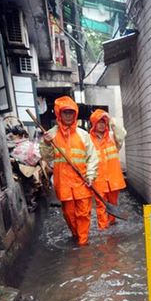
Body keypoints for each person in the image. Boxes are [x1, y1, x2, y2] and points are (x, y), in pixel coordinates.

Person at [40, 96, 98, 246]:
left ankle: (83, 243)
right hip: (64, 184)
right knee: (69, 215)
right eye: (65, 112)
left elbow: (92, 157)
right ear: (59, 113)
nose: (68, 116)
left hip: (82, 182)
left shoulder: (83, 135)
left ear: (75, 114)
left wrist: (90, 176)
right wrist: (46, 144)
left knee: (84, 214)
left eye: (71, 112)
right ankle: (76, 236)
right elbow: (46, 157)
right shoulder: (51, 135)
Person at [89, 109, 126, 228]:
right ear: (94, 123)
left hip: (113, 179)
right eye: (99, 122)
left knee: (113, 204)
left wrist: (112, 121)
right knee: (100, 205)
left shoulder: (112, 137)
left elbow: (122, 133)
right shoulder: (88, 139)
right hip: (98, 179)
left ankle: (112, 224)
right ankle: (103, 229)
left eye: (103, 122)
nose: (101, 124)